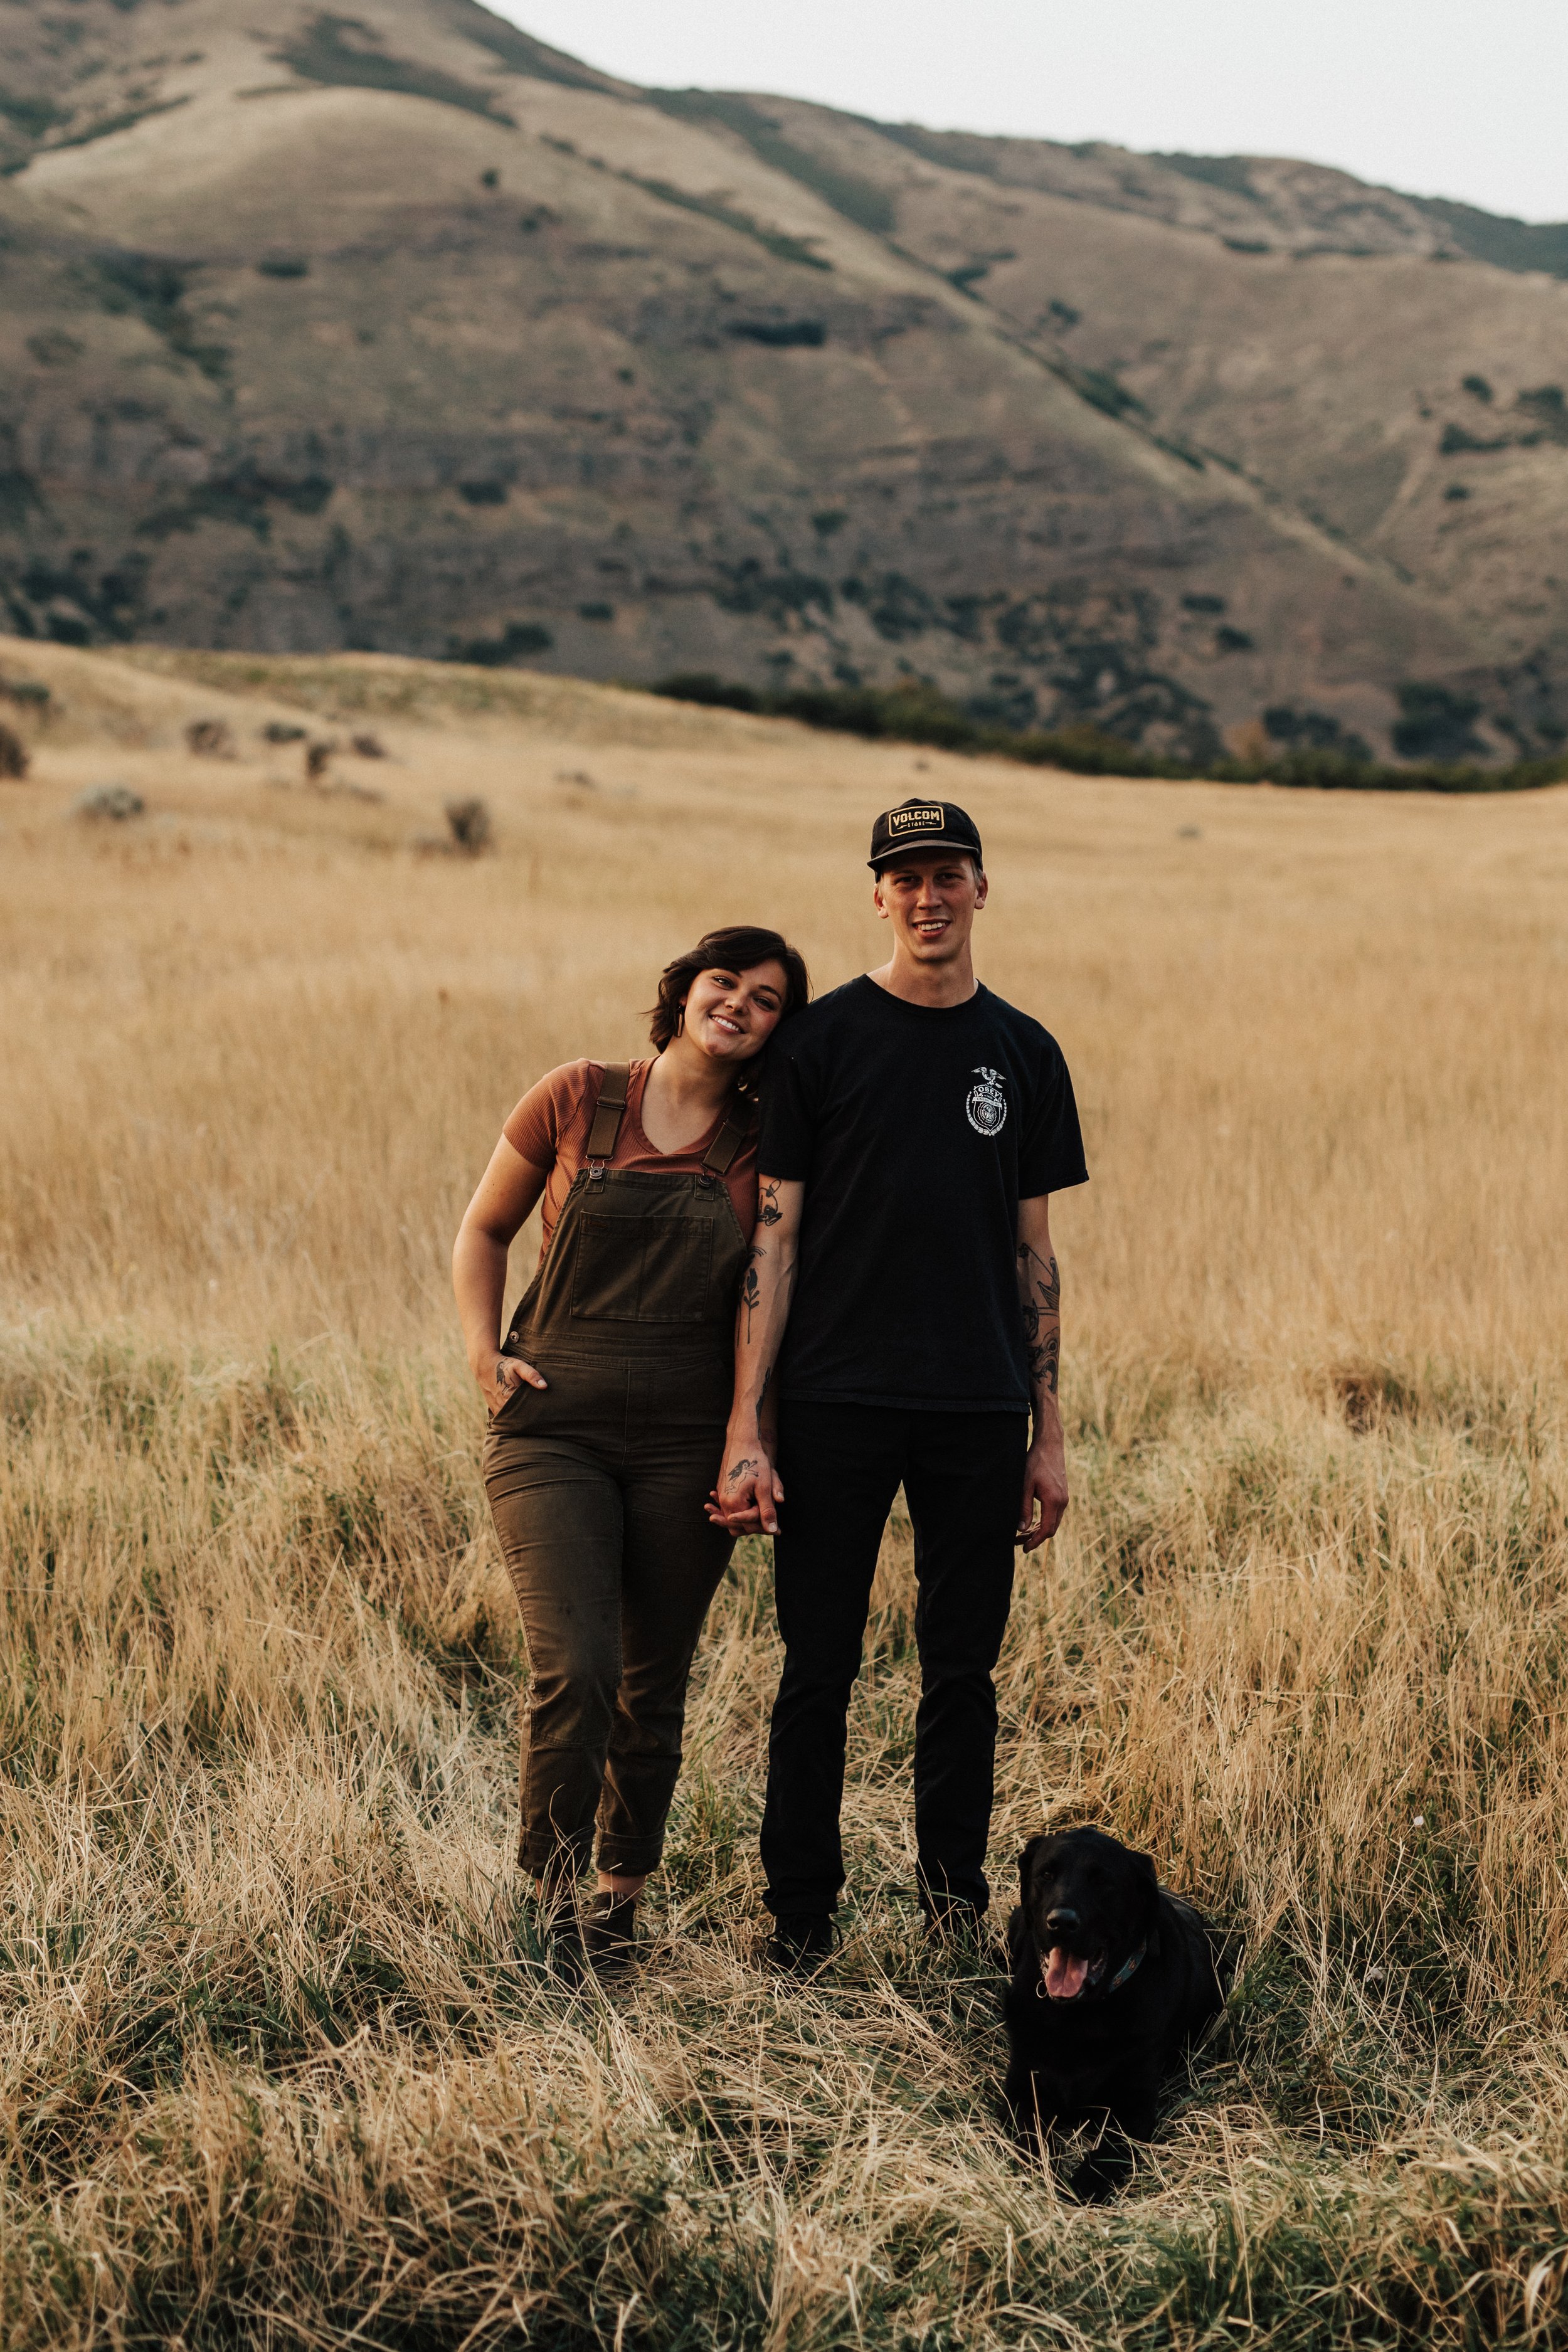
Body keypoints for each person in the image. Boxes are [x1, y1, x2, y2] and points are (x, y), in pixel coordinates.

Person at [713, 800, 1088, 1966]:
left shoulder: (1026, 1053)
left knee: (961, 1670)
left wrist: (1050, 1430)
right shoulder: (818, 1043)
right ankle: (801, 1919)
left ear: (985, 887)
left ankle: (950, 1908)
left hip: (978, 1407)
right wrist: (747, 1422)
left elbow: (1034, 1254)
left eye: (948, 874)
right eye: (905, 877)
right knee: (815, 1664)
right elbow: (772, 1239)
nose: (928, 896)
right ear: (876, 895)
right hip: (835, 1400)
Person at [453, 925, 810, 1974]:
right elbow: (484, 1230)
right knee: (578, 1666)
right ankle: (551, 1900)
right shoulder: (578, 1095)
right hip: (552, 1427)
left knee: (651, 1683)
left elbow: (771, 1284)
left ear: (779, 1029)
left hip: (685, 1440)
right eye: (723, 982)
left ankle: (617, 1907)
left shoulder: (765, 1142)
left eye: (768, 998)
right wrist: (484, 1355)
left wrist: (749, 1434)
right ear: (684, 991)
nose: (739, 1004)